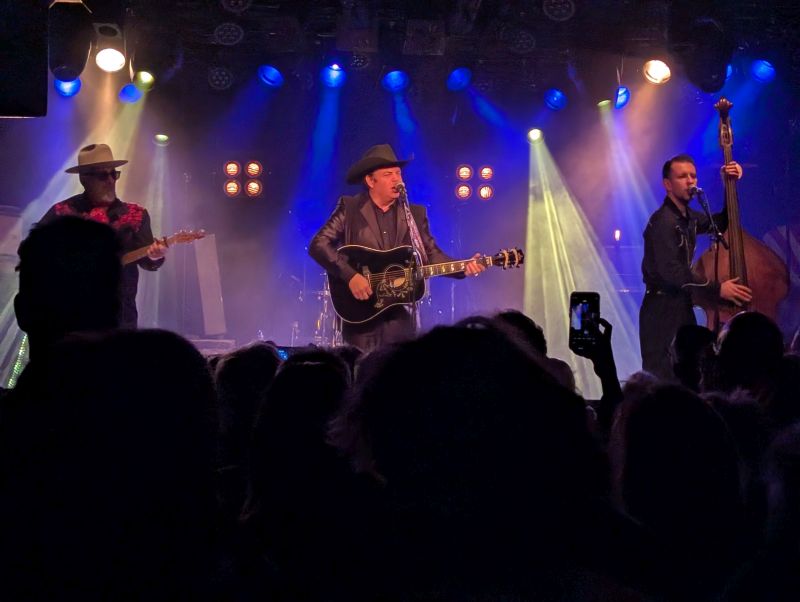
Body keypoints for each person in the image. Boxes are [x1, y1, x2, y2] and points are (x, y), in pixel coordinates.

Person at [309, 144, 485, 352]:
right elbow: (319, 244)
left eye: (398, 173)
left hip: (398, 311)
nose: (396, 179)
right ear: (370, 181)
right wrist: (350, 275)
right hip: (359, 310)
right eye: (388, 174)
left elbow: (430, 255)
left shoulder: (414, 215)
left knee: (399, 363)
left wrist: (464, 267)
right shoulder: (350, 208)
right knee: (362, 364)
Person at [639, 154, 752, 380]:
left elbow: (721, 223)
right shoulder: (663, 222)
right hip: (661, 309)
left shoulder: (688, 217)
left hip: (681, 304)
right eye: (683, 176)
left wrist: (729, 185)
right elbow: (673, 273)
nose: (690, 181)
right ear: (667, 184)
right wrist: (718, 289)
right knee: (663, 376)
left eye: (693, 176)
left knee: (686, 372)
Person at [38, 143, 168, 328]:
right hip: (71, 317)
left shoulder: (136, 215)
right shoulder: (63, 212)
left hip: (120, 318)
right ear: (84, 179)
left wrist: (156, 256)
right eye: (102, 175)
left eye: (114, 174)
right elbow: (33, 251)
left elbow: (148, 261)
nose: (110, 180)